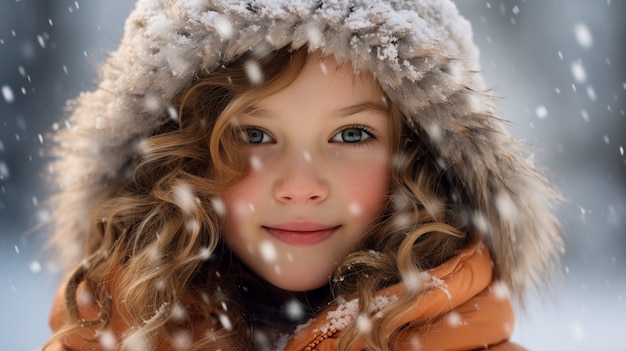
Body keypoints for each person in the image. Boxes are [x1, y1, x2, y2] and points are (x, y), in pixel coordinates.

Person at [42, 1, 564, 350]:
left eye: (352, 135)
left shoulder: (465, 338)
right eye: (254, 136)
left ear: (419, 159)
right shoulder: (100, 332)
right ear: (180, 154)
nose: (300, 185)